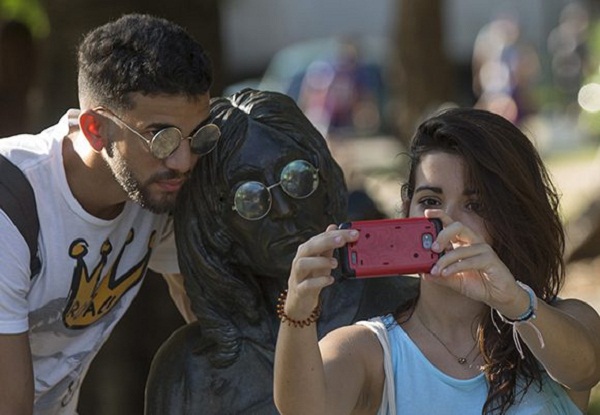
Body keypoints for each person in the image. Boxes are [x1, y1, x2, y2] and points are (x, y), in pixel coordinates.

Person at [274, 107, 600, 414]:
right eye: (430, 200)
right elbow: (303, 409)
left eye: (475, 205)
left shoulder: (564, 322)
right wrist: (297, 311)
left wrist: (512, 301)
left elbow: (584, 371)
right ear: (406, 210)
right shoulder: (370, 349)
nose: (447, 219)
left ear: (512, 219)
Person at [145, 88, 418, 414]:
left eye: (297, 177)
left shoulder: (414, 312)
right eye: (250, 198)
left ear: (324, 179)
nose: (284, 208)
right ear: (216, 226)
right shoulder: (189, 372)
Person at [0, 13, 218, 414]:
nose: (184, 161)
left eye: (197, 135)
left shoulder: (154, 187)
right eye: (161, 137)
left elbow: (207, 315)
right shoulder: (10, 206)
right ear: (96, 129)